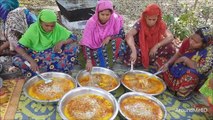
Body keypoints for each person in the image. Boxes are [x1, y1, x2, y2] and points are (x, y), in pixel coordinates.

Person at [12, 9, 79, 78]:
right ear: (40, 22)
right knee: (17, 60)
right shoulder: (33, 29)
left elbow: (73, 37)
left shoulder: (57, 27)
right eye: (47, 25)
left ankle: (46, 70)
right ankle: (55, 68)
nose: (50, 28)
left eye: (52, 26)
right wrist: (31, 61)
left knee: (73, 46)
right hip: (37, 54)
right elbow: (18, 47)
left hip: (54, 51)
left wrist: (62, 42)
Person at [158, 27, 213, 101]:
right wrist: (167, 64)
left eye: (196, 42)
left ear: (204, 44)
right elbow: (178, 55)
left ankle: (180, 91)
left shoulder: (209, 53)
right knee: (161, 61)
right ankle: (170, 85)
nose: (191, 42)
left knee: (190, 77)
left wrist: (186, 60)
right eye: (192, 38)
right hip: (178, 68)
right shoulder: (187, 42)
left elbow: (201, 70)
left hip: (191, 75)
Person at [125, 3, 176, 69]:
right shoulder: (140, 23)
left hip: (154, 48)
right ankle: (149, 60)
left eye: (154, 19)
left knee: (171, 47)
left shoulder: (160, 24)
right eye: (149, 19)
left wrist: (156, 46)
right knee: (132, 53)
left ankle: (156, 61)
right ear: (145, 17)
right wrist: (133, 50)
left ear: (157, 18)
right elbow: (129, 35)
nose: (151, 22)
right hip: (141, 48)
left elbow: (170, 37)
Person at [79, 0, 126, 71]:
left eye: (107, 15)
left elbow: (122, 35)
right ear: (97, 13)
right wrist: (89, 61)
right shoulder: (91, 22)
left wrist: (109, 37)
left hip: (106, 47)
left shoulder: (115, 19)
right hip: (93, 51)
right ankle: (99, 63)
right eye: (102, 14)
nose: (105, 17)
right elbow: (86, 43)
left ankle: (107, 62)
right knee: (82, 56)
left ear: (111, 13)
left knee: (119, 41)